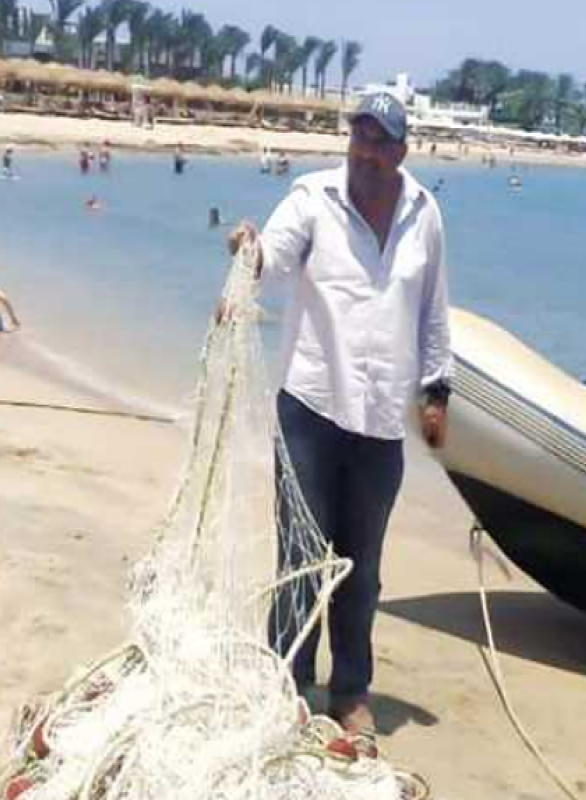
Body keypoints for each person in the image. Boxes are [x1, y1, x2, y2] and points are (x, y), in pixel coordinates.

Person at [226, 91, 451, 735]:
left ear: (403, 152)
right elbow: (271, 252)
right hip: (311, 408)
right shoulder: (312, 199)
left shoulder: (425, 214)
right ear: (348, 141)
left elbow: (434, 311)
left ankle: (350, 693)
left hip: (381, 424)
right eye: (360, 137)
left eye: (382, 141)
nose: (369, 152)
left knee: (363, 569)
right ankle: (288, 683)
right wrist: (249, 254)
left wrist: (437, 393)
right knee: (300, 557)